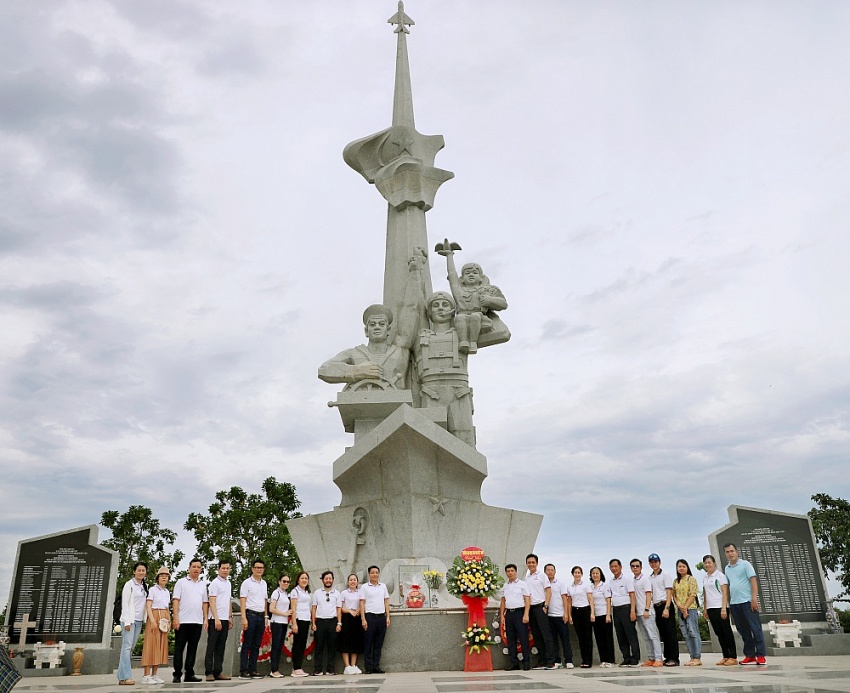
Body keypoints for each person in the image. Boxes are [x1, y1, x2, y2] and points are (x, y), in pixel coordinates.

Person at [318, 304, 413, 390]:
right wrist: (357, 371)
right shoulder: (353, 353)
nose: (377, 327)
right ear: (366, 331)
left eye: (381, 324)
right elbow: (324, 370)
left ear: (388, 330)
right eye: (372, 324)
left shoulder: (402, 352)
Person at [439, 244, 508, 354]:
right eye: (467, 273)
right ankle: (463, 342)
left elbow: (504, 304)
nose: (471, 274)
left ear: (481, 278)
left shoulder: (487, 290)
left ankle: (473, 342)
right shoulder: (458, 290)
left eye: (475, 273)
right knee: (460, 318)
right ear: (461, 279)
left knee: (475, 317)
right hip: (462, 315)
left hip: (480, 317)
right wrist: (449, 256)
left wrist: (490, 300)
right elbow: (452, 274)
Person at [724, 543, 767, 665]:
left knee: (755, 628)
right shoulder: (727, 568)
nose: (730, 554)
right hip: (735, 603)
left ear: (737, 552)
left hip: (747, 602)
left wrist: (754, 598)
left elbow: (753, 581)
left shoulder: (745, 564)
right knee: (743, 630)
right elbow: (728, 586)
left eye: (732, 551)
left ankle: (761, 655)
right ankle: (750, 655)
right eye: (727, 552)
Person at [172, 558, 208, 684]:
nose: (196, 569)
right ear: (189, 568)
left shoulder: (203, 584)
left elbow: (205, 603)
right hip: (182, 621)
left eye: (199, 567)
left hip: (197, 621)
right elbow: (176, 600)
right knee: (179, 648)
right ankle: (177, 674)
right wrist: (175, 617)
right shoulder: (181, 582)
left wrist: (205, 619)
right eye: (194, 566)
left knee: (193, 649)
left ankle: (189, 673)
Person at [701, 554, 738, 665]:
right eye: (706, 563)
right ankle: (725, 655)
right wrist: (705, 609)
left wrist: (723, 608)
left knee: (726, 632)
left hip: (720, 607)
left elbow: (725, 592)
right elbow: (706, 594)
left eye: (709, 562)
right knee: (719, 633)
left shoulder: (720, 576)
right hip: (711, 608)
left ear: (714, 563)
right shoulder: (705, 577)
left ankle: (733, 656)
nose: (708, 564)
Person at [118, 562, 148, 686]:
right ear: (134, 571)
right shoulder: (129, 585)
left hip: (139, 621)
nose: (141, 572)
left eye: (143, 570)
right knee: (126, 648)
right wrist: (126, 622)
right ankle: (126, 677)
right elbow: (125, 604)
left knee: (130, 649)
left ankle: (121, 677)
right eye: (139, 570)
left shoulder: (145, 586)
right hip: (129, 620)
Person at [524, 554, 556, 669]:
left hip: (540, 607)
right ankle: (542, 660)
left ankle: (550, 661)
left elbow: (548, 591)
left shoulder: (542, 576)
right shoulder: (526, 578)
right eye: (529, 562)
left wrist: (546, 606)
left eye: (533, 562)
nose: (531, 564)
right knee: (536, 636)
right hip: (531, 609)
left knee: (546, 634)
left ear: (537, 563)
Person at [239, 559, 268, 680]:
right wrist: (243, 618)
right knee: (247, 644)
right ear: (252, 569)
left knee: (256, 645)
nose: (259, 569)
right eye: (256, 567)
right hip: (250, 615)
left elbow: (265, 600)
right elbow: (243, 600)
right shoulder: (246, 583)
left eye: (261, 567)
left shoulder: (264, 583)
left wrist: (266, 616)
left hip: (261, 616)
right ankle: (243, 671)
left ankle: (253, 669)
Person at [630, 558, 663, 667]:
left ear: (641, 567)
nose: (635, 568)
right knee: (646, 636)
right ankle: (651, 658)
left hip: (647, 612)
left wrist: (647, 609)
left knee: (653, 635)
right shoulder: (633, 580)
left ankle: (658, 658)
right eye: (633, 566)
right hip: (638, 613)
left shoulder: (645, 579)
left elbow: (649, 595)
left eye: (637, 566)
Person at [498, 563, 531, 671]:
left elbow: (527, 600)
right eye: (508, 571)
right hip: (509, 614)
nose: (510, 573)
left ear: (516, 572)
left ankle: (526, 662)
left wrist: (526, 614)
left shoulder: (522, 584)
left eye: (512, 571)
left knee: (523, 638)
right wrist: (502, 616)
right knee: (510, 639)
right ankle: (513, 663)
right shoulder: (505, 586)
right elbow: (503, 602)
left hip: (520, 613)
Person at [141, 566, 170, 685]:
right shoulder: (152, 590)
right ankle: (146, 675)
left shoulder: (167, 592)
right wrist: (152, 621)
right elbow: (148, 606)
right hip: (154, 616)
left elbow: (167, 607)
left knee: (160, 645)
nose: (164, 577)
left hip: (164, 618)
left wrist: (169, 621)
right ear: (157, 578)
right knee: (151, 644)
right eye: (162, 575)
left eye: (166, 576)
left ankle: (155, 674)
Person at [648, 553, 678, 666]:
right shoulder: (650, 577)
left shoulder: (665, 575)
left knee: (670, 633)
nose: (654, 564)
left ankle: (674, 658)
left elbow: (669, 592)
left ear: (659, 562)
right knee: (663, 633)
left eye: (655, 562)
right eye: (651, 562)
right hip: (656, 607)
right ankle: (667, 656)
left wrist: (667, 608)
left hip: (666, 605)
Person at [205, 559, 233, 681]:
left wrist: (230, 616)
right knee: (211, 646)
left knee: (221, 647)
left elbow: (228, 601)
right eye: (223, 568)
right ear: (218, 569)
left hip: (225, 618)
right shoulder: (214, 583)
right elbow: (212, 601)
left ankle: (218, 671)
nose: (225, 570)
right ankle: (208, 672)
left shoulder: (228, 583)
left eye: (227, 568)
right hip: (215, 619)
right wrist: (216, 619)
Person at [360, 565, 391, 674]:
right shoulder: (364, 587)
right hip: (369, 617)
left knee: (378, 644)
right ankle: (368, 667)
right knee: (368, 643)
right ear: (369, 574)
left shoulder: (383, 586)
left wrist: (388, 617)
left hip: (381, 617)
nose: (375, 574)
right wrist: (363, 619)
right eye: (372, 572)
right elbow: (362, 603)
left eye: (376, 572)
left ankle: (376, 666)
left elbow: (386, 601)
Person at [609, 559, 640, 667]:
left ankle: (635, 657)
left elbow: (632, 595)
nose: (614, 568)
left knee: (631, 634)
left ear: (620, 567)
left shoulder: (627, 579)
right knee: (620, 635)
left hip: (626, 608)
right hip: (616, 610)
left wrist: (632, 611)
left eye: (615, 566)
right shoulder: (611, 581)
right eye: (612, 567)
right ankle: (626, 657)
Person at [311, 571, 342, 676]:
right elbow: (314, 608)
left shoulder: (337, 594)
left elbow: (339, 609)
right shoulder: (317, 593)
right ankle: (318, 669)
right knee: (319, 646)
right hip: (320, 622)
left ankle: (331, 669)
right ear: (322, 580)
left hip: (332, 622)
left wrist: (339, 623)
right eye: (326, 578)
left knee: (332, 647)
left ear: (333, 580)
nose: (328, 580)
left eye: (330, 578)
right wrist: (313, 622)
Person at [544, 563, 573, 669]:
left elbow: (565, 599)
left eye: (552, 570)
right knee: (553, 640)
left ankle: (569, 660)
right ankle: (557, 660)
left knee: (565, 639)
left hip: (560, 615)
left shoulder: (560, 584)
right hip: (549, 616)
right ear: (545, 572)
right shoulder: (544, 584)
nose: (550, 572)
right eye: (548, 570)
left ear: (555, 571)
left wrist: (566, 613)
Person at [673, 559, 701, 666]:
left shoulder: (691, 579)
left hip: (691, 609)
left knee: (693, 632)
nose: (681, 568)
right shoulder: (676, 581)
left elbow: (693, 594)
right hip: (680, 610)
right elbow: (674, 595)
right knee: (686, 633)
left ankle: (697, 657)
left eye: (683, 566)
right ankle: (692, 656)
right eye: (679, 566)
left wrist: (685, 608)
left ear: (687, 567)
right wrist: (680, 607)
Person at [565, 566, 594, 667]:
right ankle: (584, 660)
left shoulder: (586, 585)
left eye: (579, 572)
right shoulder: (570, 587)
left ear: (581, 574)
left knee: (587, 637)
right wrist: (570, 615)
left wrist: (592, 613)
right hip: (575, 611)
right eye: (575, 572)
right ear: (572, 574)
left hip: (585, 610)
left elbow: (590, 599)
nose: (577, 574)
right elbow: (569, 602)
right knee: (580, 638)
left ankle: (589, 661)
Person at [338, 574, 365, 675]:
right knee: (345, 642)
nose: (352, 582)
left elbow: (363, 604)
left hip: (357, 618)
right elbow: (340, 608)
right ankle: (347, 666)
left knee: (355, 642)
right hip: (347, 618)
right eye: (351, 580)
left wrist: (358, 610)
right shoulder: (344, 593)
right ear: (348, 582)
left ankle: (353, 665)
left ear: (357, 582)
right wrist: (350, 611)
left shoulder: (361, 593)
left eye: (354, 580)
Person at [589, 567, 615, 667]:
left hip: (605, 614)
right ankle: (603, 659)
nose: (595, 575)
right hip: (595, 616)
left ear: (601, 575)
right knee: (599, 639)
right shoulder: (590, 587)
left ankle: (610, 660)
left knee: (608, 638)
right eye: (593, 573)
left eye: (597, 573)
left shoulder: (605, 586)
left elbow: (608, 601)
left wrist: (608, 615)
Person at [288, 572, 312, 677]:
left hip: (306, 620)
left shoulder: (306, 592)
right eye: (302, 578)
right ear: (298, 580)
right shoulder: (295, 591)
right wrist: (294, 623)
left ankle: (298, 667)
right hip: (299, 619)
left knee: (302, 644)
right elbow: (293, 608)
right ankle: (296, 667)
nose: (304, 580)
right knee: (297, 644)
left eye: (306, 578)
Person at [269, 574, 291, 678]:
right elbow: (271, 609)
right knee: (276, 646)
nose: (286, 583)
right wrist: (284, 613)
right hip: (276, 622)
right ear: (279, 582)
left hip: (284, 623)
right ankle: (274, 670)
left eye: (287, 582)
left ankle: (276, 669)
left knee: (279, 646)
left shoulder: (286, 594)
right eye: (284, 581)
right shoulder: (276, 592)